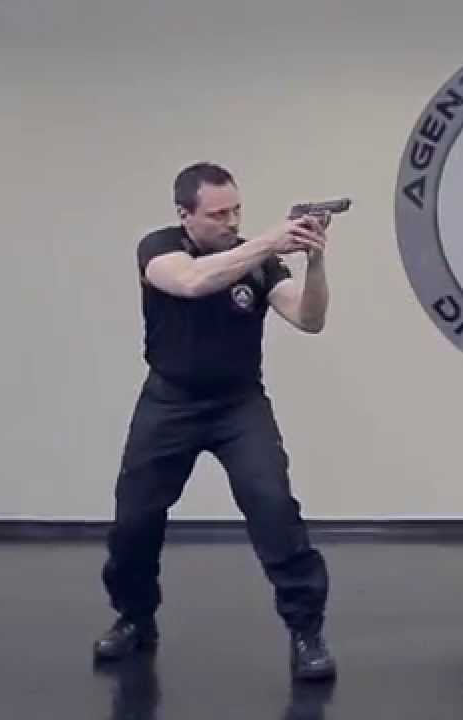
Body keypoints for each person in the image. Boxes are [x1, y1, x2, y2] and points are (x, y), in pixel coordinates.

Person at [93, 162, 338, 682]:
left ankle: (306, 631)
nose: (232, 222)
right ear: (185, 214)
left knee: (273, 506)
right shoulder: (159, 248)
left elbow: (309, 319)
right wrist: (269, 241)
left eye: (237, 211)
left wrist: (315, 261)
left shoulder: (260, 263)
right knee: (135, 518)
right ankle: (134, 618)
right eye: (219, 214)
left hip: (238, 405)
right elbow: (192, 282)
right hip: (169, 402)